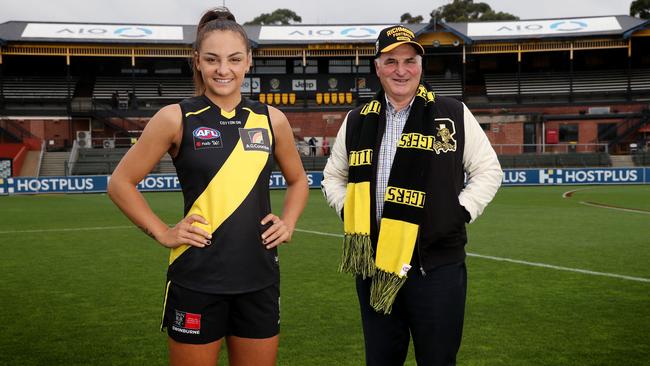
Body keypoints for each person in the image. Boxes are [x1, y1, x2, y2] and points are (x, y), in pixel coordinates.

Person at [108, 8, 308, 366]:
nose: (223, 69)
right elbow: (120, 183)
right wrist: (163, 232)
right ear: (197, 61)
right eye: (212, 59)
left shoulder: (271, 119)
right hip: (197, 279)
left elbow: (298, 180)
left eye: (234, 59)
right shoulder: (175, 117)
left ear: (248, 61)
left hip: (259, 278)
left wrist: (289, 223)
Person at [321, 25, 503, 366]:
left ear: (421, 64)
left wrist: (459, 211)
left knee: (437, 360)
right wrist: (351, 210)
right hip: (375, 264)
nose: (401, 70)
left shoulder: (453, 113)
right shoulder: (357, 119)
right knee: (381, 360)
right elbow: (332, 177)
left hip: (436, 267)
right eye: (391, 61)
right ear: (377, 66)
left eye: (409, 60)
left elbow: (489, 171)